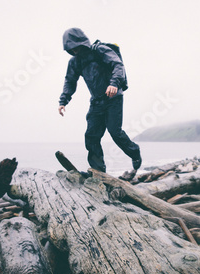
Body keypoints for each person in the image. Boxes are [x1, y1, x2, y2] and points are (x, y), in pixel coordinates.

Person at [58, 27, 141, 175]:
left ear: (81, 42)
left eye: (76, 47)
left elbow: (117, 65)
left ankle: (134, 152)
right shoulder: (74, 62)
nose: (75, 50)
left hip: (113, 98)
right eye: (71, 48)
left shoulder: (99, 50)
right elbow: (70, 81)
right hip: (96, 102)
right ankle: (98, 172)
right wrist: (63, 101)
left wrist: (114, 83)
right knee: (91, 136)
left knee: (115, 132)